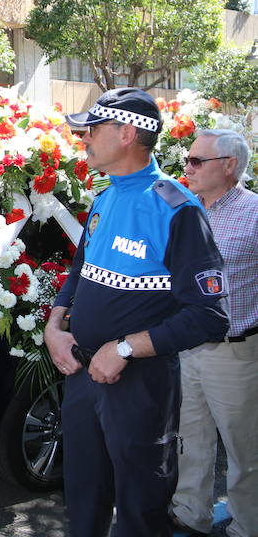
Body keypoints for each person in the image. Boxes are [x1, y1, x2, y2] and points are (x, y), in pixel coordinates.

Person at [44, 88, 230, 537]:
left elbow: (210, 316)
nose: (84, 138)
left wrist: (125, 349)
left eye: (93, 129)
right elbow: (80, 269)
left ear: (127, 133)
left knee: (140, 510)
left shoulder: (176, 209)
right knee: (83, 500)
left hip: (139, 386)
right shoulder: (106, 198)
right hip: (81, 375)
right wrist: (55, 324)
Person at [170, 129, 257, 537]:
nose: (187, 168)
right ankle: (190, 513)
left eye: (196, 161)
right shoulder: (184, 210)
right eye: (188, 160)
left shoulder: (255, 214)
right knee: (190, 437)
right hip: (185, 347)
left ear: (229, 166)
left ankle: (246, 525)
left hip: (234, 353)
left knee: (244, 450)